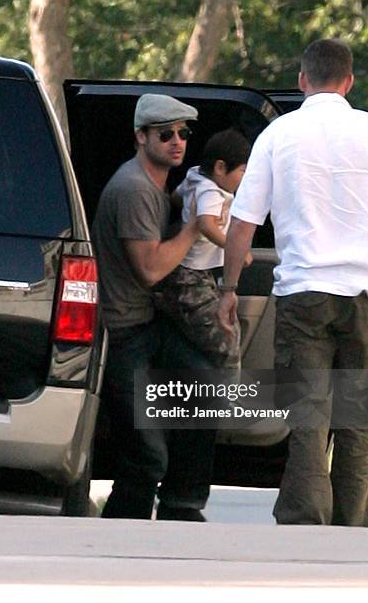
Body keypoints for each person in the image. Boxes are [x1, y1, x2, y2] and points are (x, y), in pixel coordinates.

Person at [218, 39, 368, 527]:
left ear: (302, 81)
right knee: (358, 423)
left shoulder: (279, 134)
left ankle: (304, 529)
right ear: (350, 81)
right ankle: (351, 532)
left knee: (308, 418)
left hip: (305, 295)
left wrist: (229, 289)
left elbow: (243, 224)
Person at [92, 93, 216, 521]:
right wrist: (196, 228)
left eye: (184, 133)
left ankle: (182, 506)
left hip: (150, 327)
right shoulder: (134, 189)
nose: (177, 141)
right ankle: (118, 541)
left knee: (206, 386)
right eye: (165, 134)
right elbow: (148, 270)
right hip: (125, 334)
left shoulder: (157, 187)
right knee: (146, 456)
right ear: (140, 136)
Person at [159, 129, 251, 369]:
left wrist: (184, 213)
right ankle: (228, 400)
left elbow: (176, 198)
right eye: (243, 170)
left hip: (190, 271)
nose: (246, 177)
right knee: (227, 339)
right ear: (220, 168)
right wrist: (236, 251)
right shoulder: (211, 191)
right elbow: (206, 225)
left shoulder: (194, 176)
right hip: (191, 276)